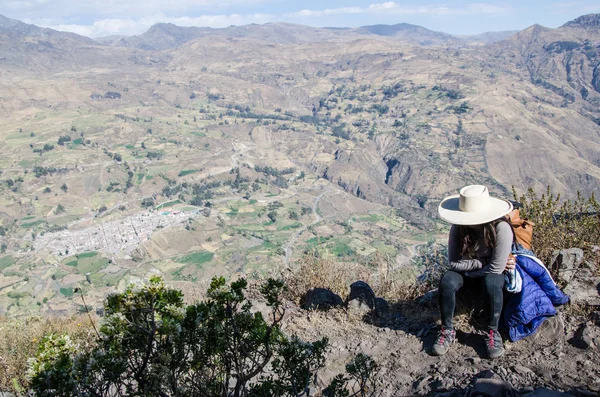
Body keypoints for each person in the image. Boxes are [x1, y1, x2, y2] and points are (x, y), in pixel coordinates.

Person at [433, 185, 516, 359]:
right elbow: (454, 263)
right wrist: (480, 263)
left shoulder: (501, 229)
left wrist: (471, 269)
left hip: (488, 274)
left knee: (492, 282)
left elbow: (496, 269)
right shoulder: (459, 228)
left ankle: (492, 332)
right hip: (472, 271)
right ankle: (447, 330)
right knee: (447, 281)